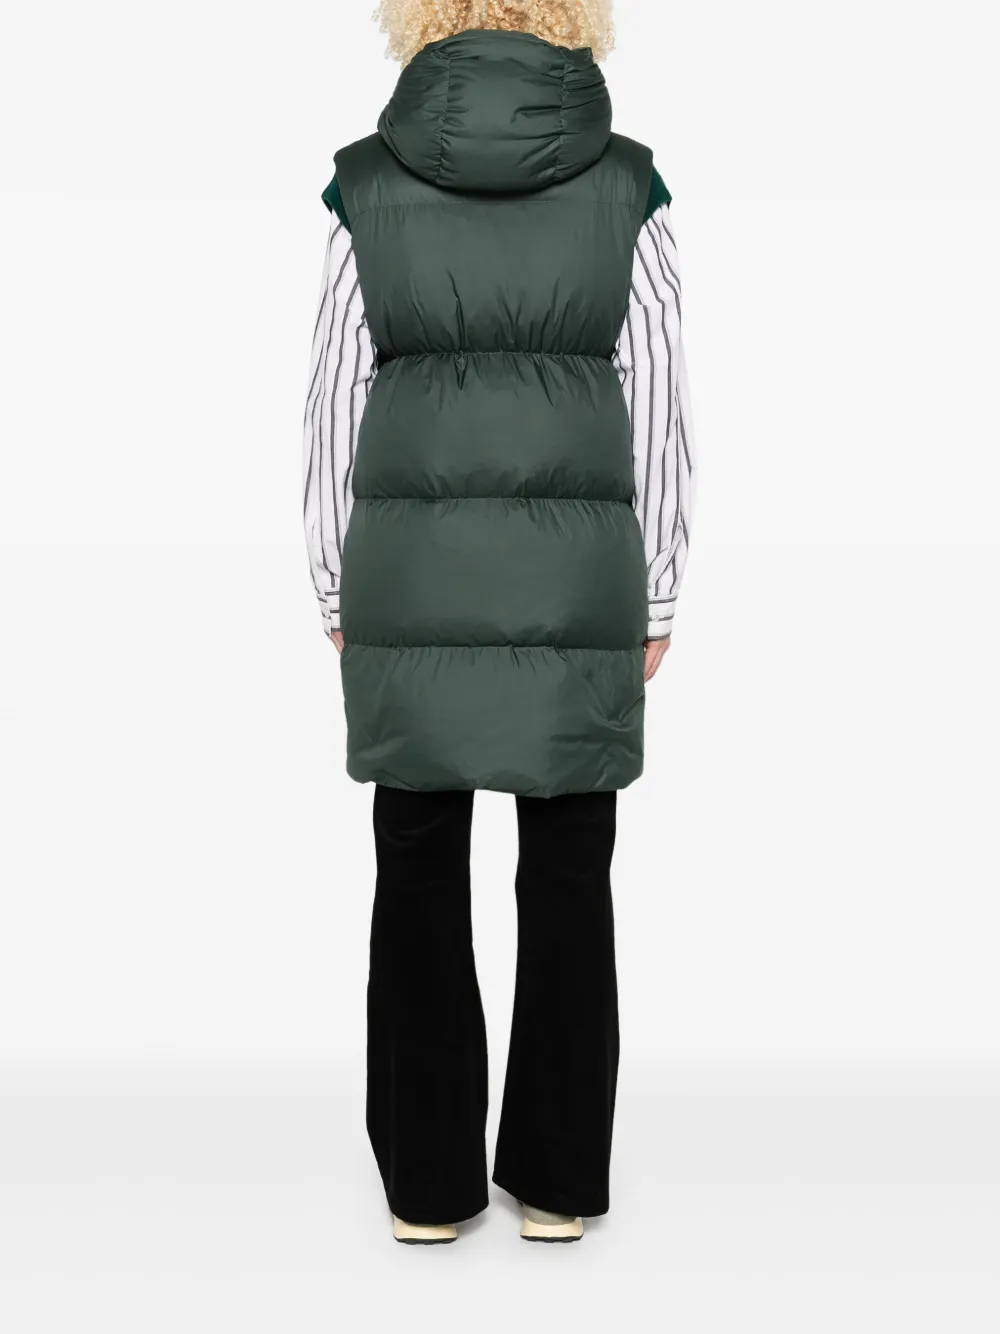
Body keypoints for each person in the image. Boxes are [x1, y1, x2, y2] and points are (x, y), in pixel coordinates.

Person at [302, 0, 694, 1245]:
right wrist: (660, 585)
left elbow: (329, 398)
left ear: (419, 22)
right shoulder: (628, 188)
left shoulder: (364, 187)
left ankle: (427, 1189)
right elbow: (660, 394)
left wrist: (331, 583)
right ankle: (559, 1181)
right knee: (569, 869)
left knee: (416, 863)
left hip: (407, 574)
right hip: (577, 579)